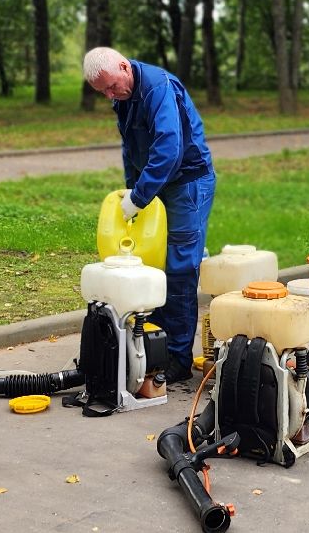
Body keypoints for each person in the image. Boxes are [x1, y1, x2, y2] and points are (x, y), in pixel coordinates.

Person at [83, 46, 216, 386]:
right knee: (150, 266)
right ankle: (152, 350)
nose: (112, 95)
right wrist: (132, 192)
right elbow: (131, 147)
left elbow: (169, 148)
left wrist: (140, 196)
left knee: (180, 269)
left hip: (187, 181)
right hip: (156, 184)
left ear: (125, 66)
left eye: (113, 86)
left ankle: (178, 359)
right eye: (104, 93)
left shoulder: (158, 88)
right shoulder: (123, 97)